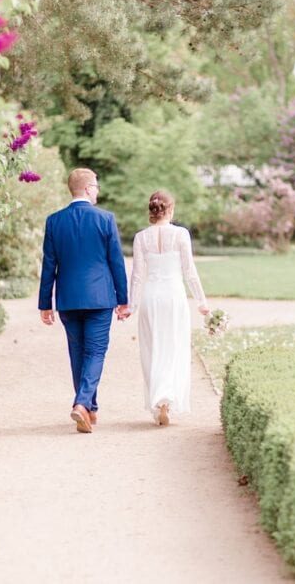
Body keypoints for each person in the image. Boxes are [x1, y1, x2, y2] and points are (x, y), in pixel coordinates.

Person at [38, 168, 129, 434]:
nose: (98, 190)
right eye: (96, 186)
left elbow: (48, 266)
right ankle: (81, 403)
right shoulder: (105, 219)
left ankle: (90, 408)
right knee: (96, 352)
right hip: (100, 298)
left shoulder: (54, 221)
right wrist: (123, 300)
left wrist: (45, 303)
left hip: (68, 298)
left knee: (78, 353)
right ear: (88, 188)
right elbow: (116, 262)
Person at [128, 190, 210, 426]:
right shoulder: (181, 234)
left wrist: (131, 306)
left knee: (152, 349)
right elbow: (189, 272)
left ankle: (159, 401)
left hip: (151, 297)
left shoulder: (141, 237)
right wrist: (202, 302)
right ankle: (167, 400)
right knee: (174, 348)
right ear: (170, 210)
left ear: (151, 212)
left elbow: (137, 276)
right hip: (174, 298)